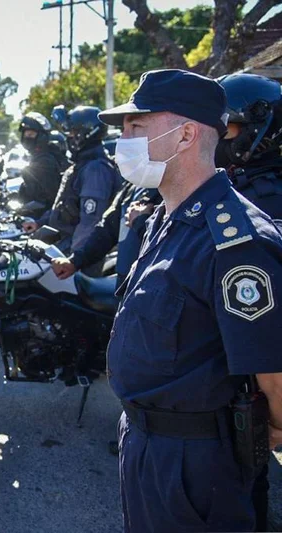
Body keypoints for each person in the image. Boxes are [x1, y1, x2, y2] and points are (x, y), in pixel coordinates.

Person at [99, 68, 282, 532]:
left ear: (184, 135)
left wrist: (273, 427)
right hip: (143, 442)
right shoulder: (164, 217)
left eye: (136, 126)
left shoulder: (236, 242)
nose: (124, 138)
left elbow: (273, 370)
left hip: (196, 463)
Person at [216, 72, 282, 533]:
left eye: (229, 129)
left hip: (263, 368)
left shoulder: (269, 197)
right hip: (230, 365)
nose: (221, 139)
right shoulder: (230, 184)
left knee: (251, 482)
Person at [23, 106, 121, 254]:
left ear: (87, 134)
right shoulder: (81, 165)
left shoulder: (95, 169)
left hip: (79, 250)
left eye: (73, 132)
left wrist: (72, 262)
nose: (69, 137)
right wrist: (38, 223)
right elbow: (64, 206)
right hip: (66, 242)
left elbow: (90, 223)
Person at [50, 182, 160, 288]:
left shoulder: (171, 190)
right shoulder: (133, 185)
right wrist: (75, 261)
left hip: (153, 288)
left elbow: (169, 244)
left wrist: (141, 222)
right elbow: (108, 230)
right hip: (125, 282)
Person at [216, 73, 282, 221]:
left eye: (223, 128)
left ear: (254, 128)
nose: (212, 136)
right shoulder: (227, 182)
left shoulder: (268, 202)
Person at [17, 112, 64, 213]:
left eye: (31, 134)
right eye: (25, 134)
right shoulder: (37, 157)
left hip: (43, 219)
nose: (27, 137)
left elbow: (44, 200)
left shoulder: (45, 161)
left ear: (41, 136)